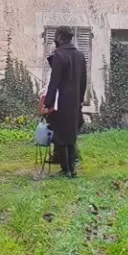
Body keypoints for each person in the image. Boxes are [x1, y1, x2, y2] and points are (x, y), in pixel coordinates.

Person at [42, 28, 88, 177]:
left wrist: (47, 103)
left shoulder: (59, 56)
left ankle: (65, 170)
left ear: (61, 38)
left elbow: (54, 83)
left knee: (60, 137)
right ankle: (72, 170)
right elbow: (83, 82)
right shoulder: (80, 56)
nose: (54, 39)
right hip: (74, 102)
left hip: (61, 102)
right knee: (71, 136)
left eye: (56, 37)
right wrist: (80, 101)